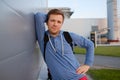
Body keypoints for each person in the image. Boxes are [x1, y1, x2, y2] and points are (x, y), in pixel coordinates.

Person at [35, 9, 94, 80]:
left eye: (59, 22)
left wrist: (87, 64)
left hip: (78, 77)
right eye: (52, 20)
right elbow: (38, 16)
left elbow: (90, 44)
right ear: (47, 22)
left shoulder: (68, 35)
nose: (55, 24)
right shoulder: (42, 38)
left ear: (61, 24)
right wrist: (49, 17)